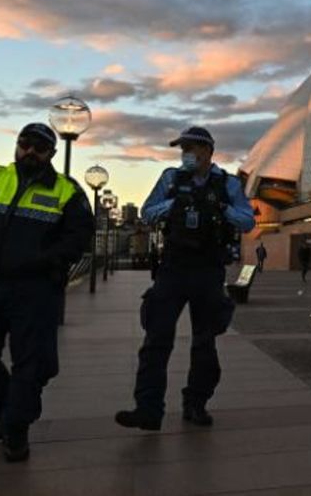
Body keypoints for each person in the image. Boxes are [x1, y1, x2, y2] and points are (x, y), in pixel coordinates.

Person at [0, 123, 94, 462]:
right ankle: (3, 399)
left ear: (52, 154)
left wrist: (45, 261)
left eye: (40, 147)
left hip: (36, 290)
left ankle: (16, 429)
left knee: (32, 364)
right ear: (17, 145)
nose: (30, 151)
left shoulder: (67, 190)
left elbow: (78, 236)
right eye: (25, 143)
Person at [115, 126, 255, 431]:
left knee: (204, 343)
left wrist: (220, 207)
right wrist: (174, 204)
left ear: (208, 151)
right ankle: (148, 409)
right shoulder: (171, 178)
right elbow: (147, 211)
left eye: (191, 149)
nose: (186, 155)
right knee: (156, 339)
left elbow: (247, 221)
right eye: (183, 150)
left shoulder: (227, 183)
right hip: (173, 268)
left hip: (208, 270)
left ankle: (196, 403)